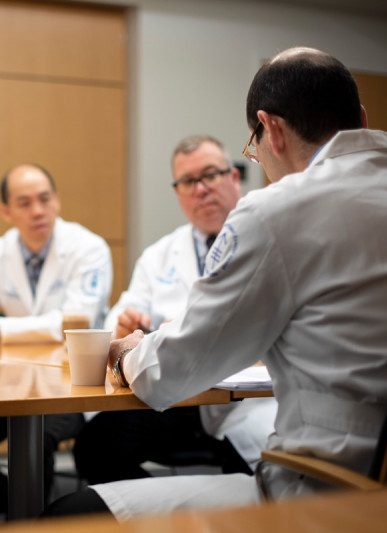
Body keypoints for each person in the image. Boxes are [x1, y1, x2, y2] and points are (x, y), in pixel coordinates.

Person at [44, 47, 387, 520]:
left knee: (68, 514)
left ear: (271, 129)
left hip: (331, 494)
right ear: (361, 119)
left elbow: (168, 372)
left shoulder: (276, 211)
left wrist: (127, 349)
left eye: (251, 149)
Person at [73, 135, 277, 485]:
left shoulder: (268, 236)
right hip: (175, 399)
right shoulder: (159, 255)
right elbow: (117, 322)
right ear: (177, 192)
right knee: (94, 448)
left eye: (210, 175)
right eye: (187, 181)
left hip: (246, 403)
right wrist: (125, 326)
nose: (200, 189)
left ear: (234, 177)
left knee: (259, 479)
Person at [0, 163, 113, 514]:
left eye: (44, 199)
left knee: (35, 439)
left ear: (57, 201)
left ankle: (32, 518)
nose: (38, 210)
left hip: (75, 384)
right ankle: (25, 515)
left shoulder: (89, 248)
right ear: (6, 211)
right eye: (24, 203)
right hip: (14, 385)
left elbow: (79, 320)